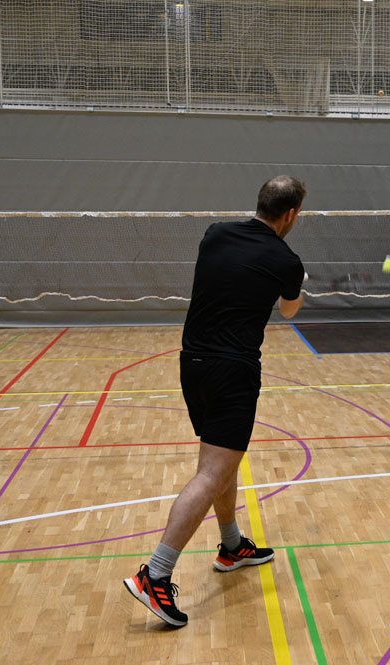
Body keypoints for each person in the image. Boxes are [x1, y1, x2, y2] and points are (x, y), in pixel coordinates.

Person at [123, 176, 307, 627]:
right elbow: (288, 310)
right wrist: (298, 285)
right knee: (211, 473)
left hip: (192, 363)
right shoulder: (286, 260)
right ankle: (155, 574)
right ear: (290, 215)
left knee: (222, 462)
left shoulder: (216, 233)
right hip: (232, 371)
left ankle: (231, 546)